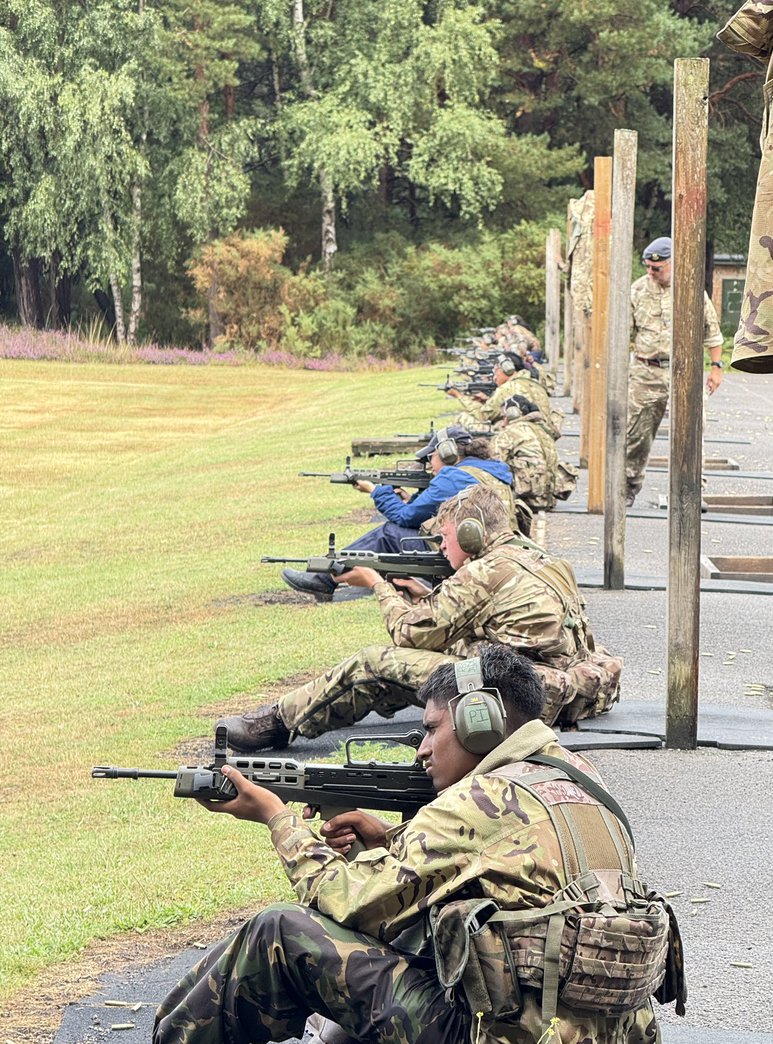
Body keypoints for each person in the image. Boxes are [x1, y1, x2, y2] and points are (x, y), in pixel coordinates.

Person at [65, 646, 660, 1044]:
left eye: (432, 729)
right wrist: (391, 841)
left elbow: (346, 899)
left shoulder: (477, 801)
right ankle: (336, 1036)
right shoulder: (577, 776)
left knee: (279, 932)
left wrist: (276, 817)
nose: (424, 749)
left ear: (481, 723)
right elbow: (498, 881)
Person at [219, 484, 623, 752]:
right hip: (551, 688)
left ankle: (274, 724)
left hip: (512, 693)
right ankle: (311, 715)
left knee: (373, 663)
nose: (443, 548)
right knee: (410, 672)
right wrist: (425, 596)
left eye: (446, 537)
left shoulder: (485, 572)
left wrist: (376, 584)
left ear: (470, 535)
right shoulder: (543, 559)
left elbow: (408, 634)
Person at [284, 425, 514, 600]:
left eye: (430, 457)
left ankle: (324, 579)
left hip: (474, 554)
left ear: (448, 453)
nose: (429, 465)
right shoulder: (493, 472)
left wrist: (376, 491)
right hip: (498, 552)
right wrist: (408, 500)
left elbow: (406, 518)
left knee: (390, 533)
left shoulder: (454, 476)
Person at [626, 236, 725, 506]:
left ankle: (691, 489)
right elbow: (624, 335)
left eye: (656, 268)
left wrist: (716, 367)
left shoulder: (690, 289)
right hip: (647, 372)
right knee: (636, 433)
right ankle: (628, 486)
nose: (650, 272)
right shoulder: (637, 291)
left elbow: (712, 333)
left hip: (684, 372)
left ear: (671, 264)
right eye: (647, 267)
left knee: (691, 432)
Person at [453, 351, 563, 435]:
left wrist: (460, 396)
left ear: (507, 369)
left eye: (496, 370)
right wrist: (487, 399)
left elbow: (483, 415)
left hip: (518, 435)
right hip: (542, 434)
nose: (494, 374)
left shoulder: (508, 387)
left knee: (463, 417)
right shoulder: (535, 384)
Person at [492, 396, 561, 512]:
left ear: (513, 413)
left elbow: (495, 463)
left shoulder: (511, 431)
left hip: (526, 499)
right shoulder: (543, 430)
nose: (503, 423)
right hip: (547, 499)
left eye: (504, 417)